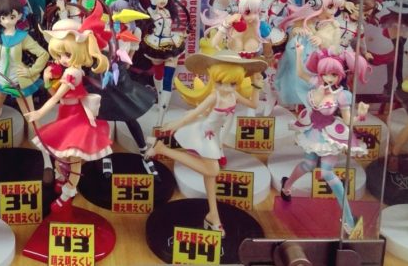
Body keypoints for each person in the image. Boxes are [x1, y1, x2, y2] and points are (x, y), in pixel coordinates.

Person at [145, 51, 266, 235]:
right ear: (213, 79)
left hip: (214, 135)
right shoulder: (214, 96)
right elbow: (194, 114)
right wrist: (176, 125)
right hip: (203, 134)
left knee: (210, 177)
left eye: (232, 84)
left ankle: (213, 216)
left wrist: (257, 85)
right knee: (213, 171)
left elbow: (254, 105)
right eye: (220, 82)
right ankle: (163, 149)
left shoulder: (233, 95)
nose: (226, 88)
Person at [24, 16, 113, 213]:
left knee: (73, 159)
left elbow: (56, 97)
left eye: (66, 53)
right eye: (59, 54)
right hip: (65, 115)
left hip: (75, 118)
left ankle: (67, 194)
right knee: (62, 155)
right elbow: (56, 95)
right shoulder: (69, 72)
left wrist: (39, 112)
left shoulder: (73, 73)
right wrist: (47, 80)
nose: (62, 58)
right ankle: (63, 180)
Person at [279, 46, 370, 235]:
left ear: (340, 75)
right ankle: (286, 187)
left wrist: (361, 115)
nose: (328, 78)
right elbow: (300, 73)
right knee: (308, 165)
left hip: (329, 135)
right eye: (325, 74)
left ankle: (348, 219)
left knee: (327, 173)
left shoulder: (342, 95)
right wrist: (299, 53)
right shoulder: (316, 83)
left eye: (333, 75)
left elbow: (348, 120)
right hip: (313, 131)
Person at [0, 0, 52, 178]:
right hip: (0, 83)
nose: (7, 21)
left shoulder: (23, 37)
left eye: (12, 16)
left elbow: (43, 54)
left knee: (33, 122)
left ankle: (47, 162)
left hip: (19, 84)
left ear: (19, 16)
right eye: (3, 17)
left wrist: (30, 71)